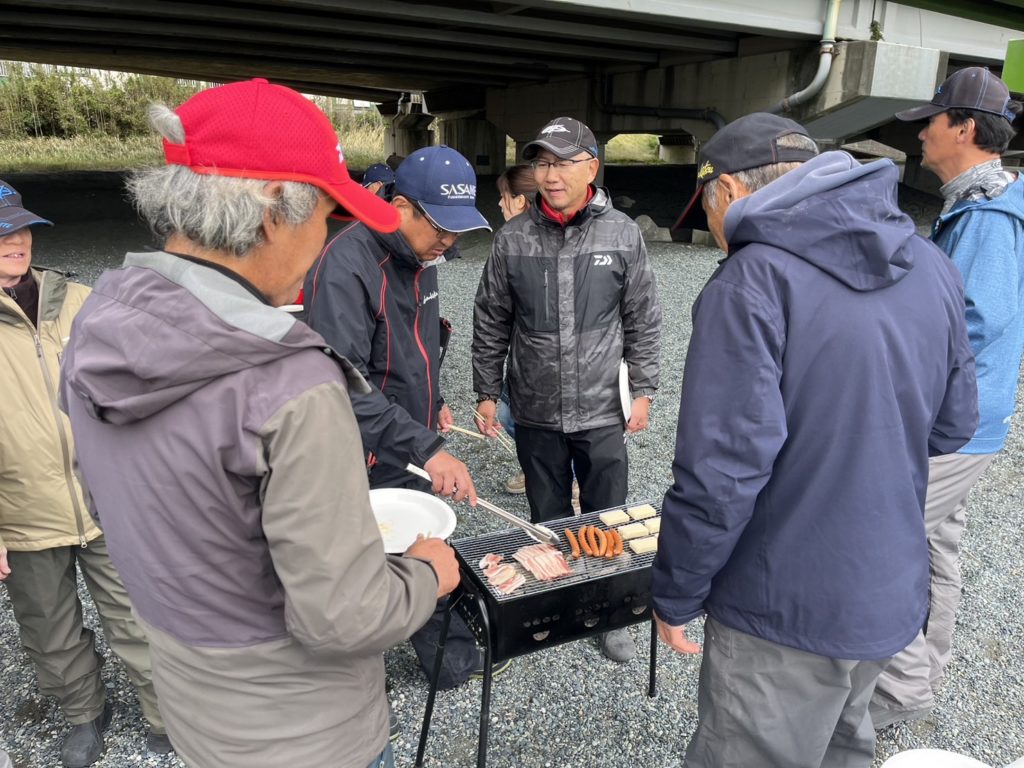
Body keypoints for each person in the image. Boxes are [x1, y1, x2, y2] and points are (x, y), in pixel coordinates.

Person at [59, 78, 458, 768]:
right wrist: (426, 574)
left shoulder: (97, 326)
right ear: (275, 209)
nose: (327, 243)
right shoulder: (289, 383)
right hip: (309, 731)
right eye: (329, 216)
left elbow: (113, 505)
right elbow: (341, 616)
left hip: (197, 706)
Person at [652, 112, 979, 767]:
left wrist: (676, 591)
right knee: (843, 749)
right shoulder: (928, 262)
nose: (714, 232)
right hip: (886, 592)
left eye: (707, 211)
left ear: (728, 193)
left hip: (780, 609)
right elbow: (954, 424)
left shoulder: (751, 281)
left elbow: (721, 475)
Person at [304, 145, 496, 696]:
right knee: (393, 548)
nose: (449, 243)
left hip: (409, 431)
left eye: (459, 231)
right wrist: (426, 448)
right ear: (402, 206)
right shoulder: (346, 263)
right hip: (366, 446)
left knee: (423, 539)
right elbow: (341, 381)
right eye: (441, 228)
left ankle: (449, 654)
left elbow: (417, 344)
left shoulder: (423, 258)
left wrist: (433, 401)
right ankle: (439, 665)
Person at [473, 117, 662, 663]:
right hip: (534, 407)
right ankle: (555, 599)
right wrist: (487, 391)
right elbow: (490, 320)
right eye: (542, 163)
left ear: (591, 168)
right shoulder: (513, 238)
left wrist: (644, 387)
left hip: (604, 405)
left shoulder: (622, 234)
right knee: (548, 510)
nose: (549, 175)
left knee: (606, 513)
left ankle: (608, 607)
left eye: (561, 162)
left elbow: (643, 319)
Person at [870, 67, 1024, 729]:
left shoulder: (986, 214)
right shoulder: (986, 201)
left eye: (930, 122)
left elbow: (972, 318)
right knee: (937, 545)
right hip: (974, 416)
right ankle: (919, 678)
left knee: (887, 540)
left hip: (956, 420)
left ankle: (899, 690)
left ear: (963, 127)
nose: (921, 136)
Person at [0, 180, 170, 767]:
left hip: (110, 503)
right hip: (21, 514)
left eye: (19, 227)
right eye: (0, 232)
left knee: (139, 615)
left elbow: (147, 386)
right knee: (49, 630)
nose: (15, 240)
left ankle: (164, 713)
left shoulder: (85, 301)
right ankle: (83, 713)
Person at [493, 164, 537, 496]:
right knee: (508, 414)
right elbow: (492, 312)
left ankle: (573, 480)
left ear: (520, 201)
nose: (499, 204)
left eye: (503, 197)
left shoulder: (541, 243)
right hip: (519, 356)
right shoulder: (508, 242)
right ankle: (535, 466)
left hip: (545, 360)